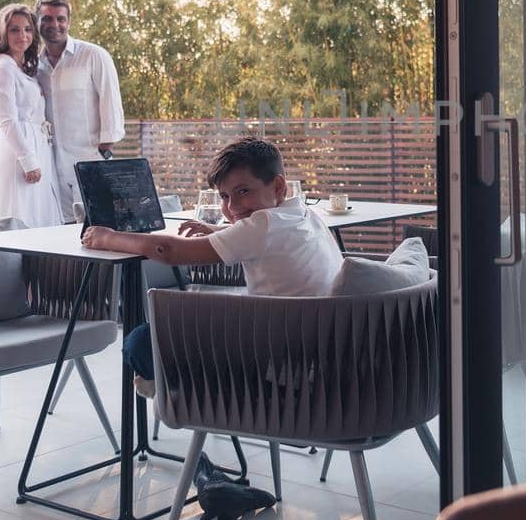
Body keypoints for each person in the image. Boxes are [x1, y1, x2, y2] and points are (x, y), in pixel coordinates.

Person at [82, 137, 342, 385]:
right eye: (225, 196)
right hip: (317, 353)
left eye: (243, 191)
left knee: (140, 341)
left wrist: (109, 238)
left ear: (277, 186)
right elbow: (264, 237)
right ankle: (173, 387)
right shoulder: (304, 214)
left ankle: (181, 391)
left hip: (281, 365)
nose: (233, 206)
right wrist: (218, 231)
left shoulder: (261, 225)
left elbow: (167, 250)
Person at [0, 0, 125, 217]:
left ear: (69, 21)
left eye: (61, 19)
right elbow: (15, 107)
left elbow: (112, 108)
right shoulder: (32, 64)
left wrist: (102, 152)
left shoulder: (93, 55)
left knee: (98, 225)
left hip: (87, 161)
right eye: (47, 19)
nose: (55, 25)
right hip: (49, 162)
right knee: (58, 230)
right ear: (38, 22)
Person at [0, 3, 65, 228]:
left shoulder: (23, 68)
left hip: (37, 148)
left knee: (40, 221)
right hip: (19, 155)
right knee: (21, 222)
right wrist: (28, 161)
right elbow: (7, 121)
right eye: (14, 30)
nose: (22, 35)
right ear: (2, 33)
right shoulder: (2, 69)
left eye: (27, 29)